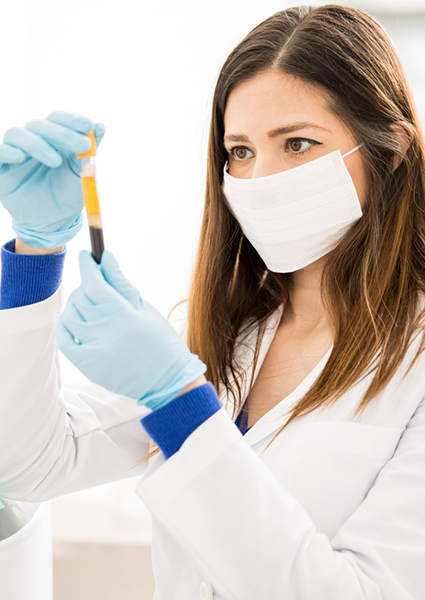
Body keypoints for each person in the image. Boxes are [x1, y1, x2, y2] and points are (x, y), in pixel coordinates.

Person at [1, 3, 425, 598]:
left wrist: (179, 402)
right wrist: (34, 255)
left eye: (297, 144)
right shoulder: (225, 336)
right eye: (241, 152)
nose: (258, 181)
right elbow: (27, 464)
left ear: (394, 149)